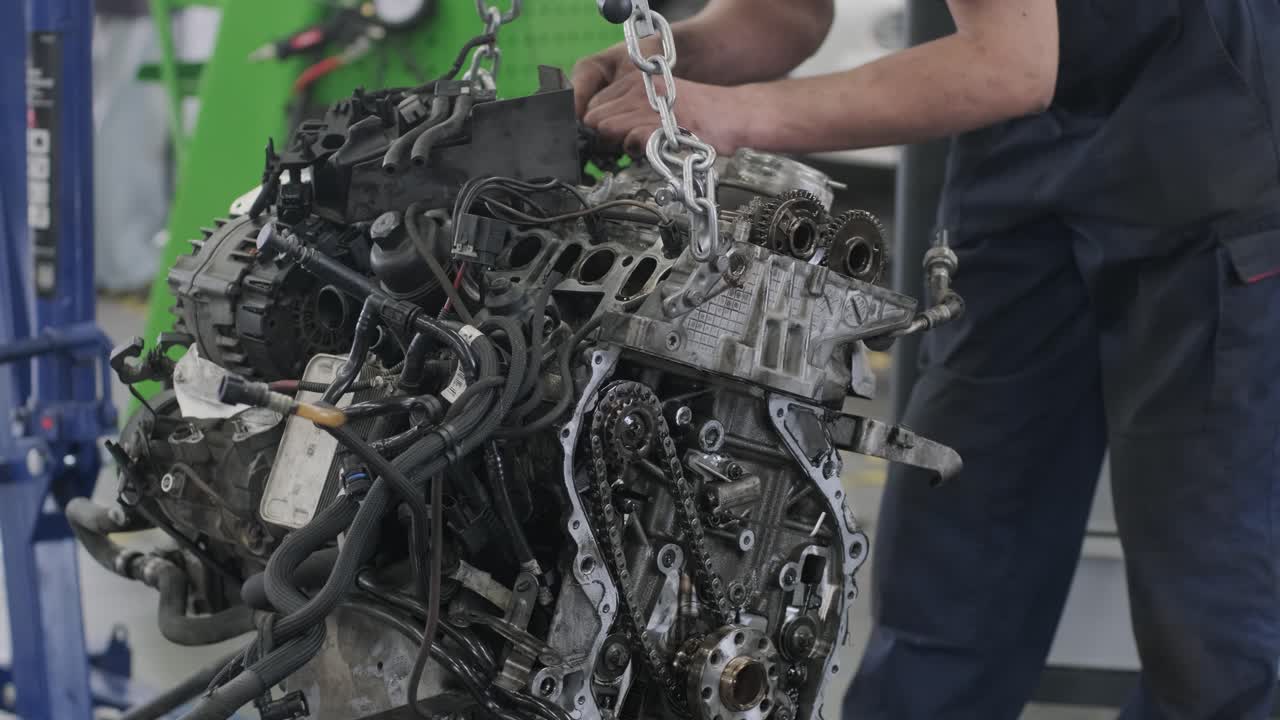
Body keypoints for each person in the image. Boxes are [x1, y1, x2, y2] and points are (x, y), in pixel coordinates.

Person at [574, 1, 1280, 718]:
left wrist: (736, 113)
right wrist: (672, 63)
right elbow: (784, 12)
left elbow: (1013, 64)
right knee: (952, 575)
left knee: (1209, 616)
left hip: (1203, 154)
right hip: (1019, 177)